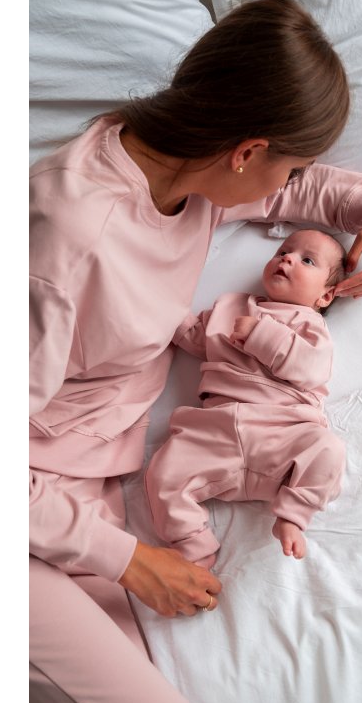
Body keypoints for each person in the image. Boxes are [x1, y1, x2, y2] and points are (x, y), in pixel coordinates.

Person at [29, 0, 362, 703]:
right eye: (287, 168)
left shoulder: (188, 171)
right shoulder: (68, 244)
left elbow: (300, 193)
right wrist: (132, 561)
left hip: (83, 470)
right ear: (248, 152)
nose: (289, 188)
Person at [145, 229, 349, 570]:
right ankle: (192, 544)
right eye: (283, 251)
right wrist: (161, 305)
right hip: (217, 430)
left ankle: (293, 515)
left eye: (307, 260)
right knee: (163, 473)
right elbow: (194, 336)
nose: (287, 258)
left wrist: (261, 334)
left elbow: (310, 369)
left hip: (284, 431)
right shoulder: (230, 306)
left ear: (325, 296)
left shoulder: (310, 325)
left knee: (329, 450)